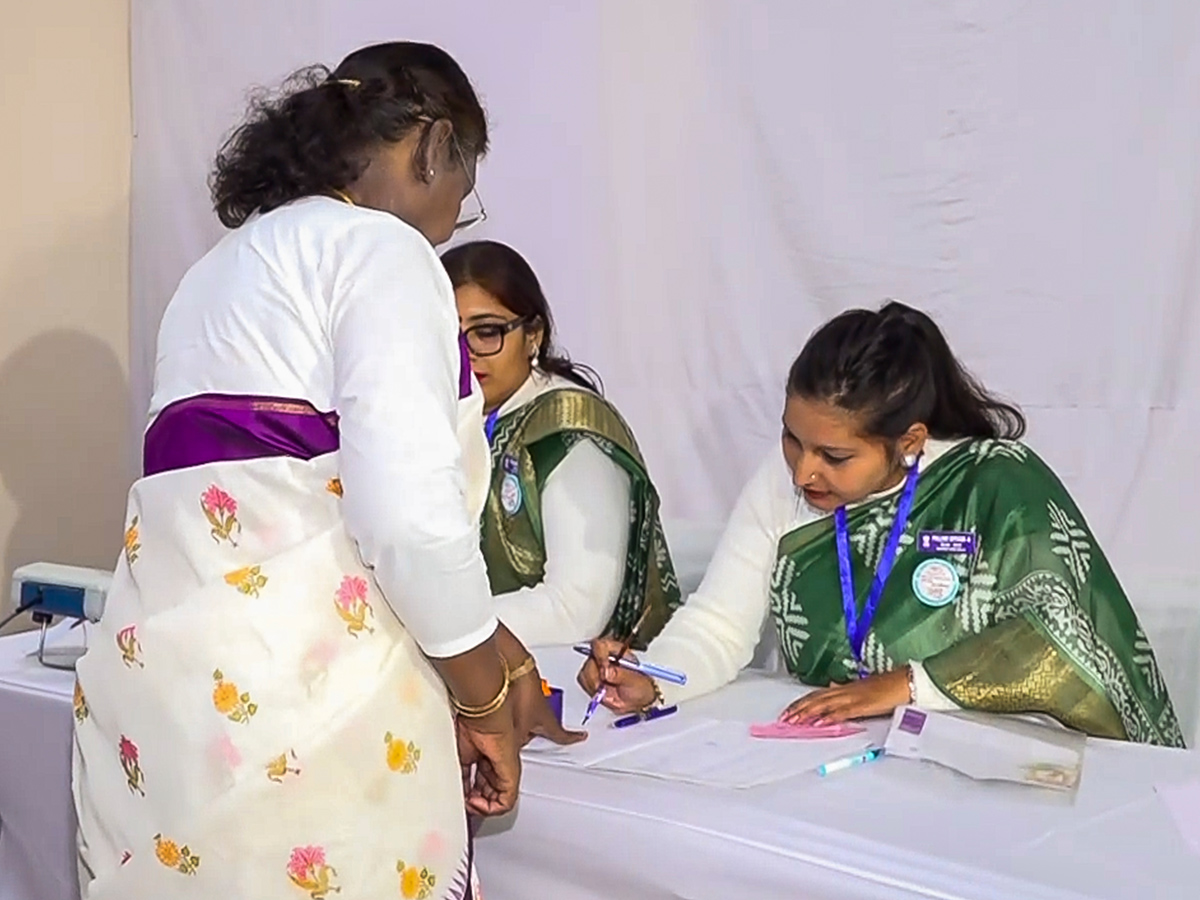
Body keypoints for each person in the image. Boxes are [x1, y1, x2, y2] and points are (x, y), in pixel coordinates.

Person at [73, 42, 578, 900]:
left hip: (167, 709)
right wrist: (484, 699)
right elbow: (406, 519)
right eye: (466, 177)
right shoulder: (381, 252)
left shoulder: (211, 274)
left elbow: (244, 498)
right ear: (433, 146)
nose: (458, 213)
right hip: (308, 721)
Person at [580, 301, 1184, 747]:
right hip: (835, 754)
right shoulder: (784, 477)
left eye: (835, 457)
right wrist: (655, 680)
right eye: (792, 439)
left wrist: (909, 685)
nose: (802, 474)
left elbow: (1064, 636)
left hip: (991, 756)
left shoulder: (996, 484)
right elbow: (719, 623)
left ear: (910, 442)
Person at [442, 240, 680, 648]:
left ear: (533, 335)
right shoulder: (437, 418)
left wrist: (429, 625)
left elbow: (576, 611)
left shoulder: (569, 431)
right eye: (447, 336)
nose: (466, 356)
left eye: (487, 333)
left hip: (580, 680)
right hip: (466, 662)